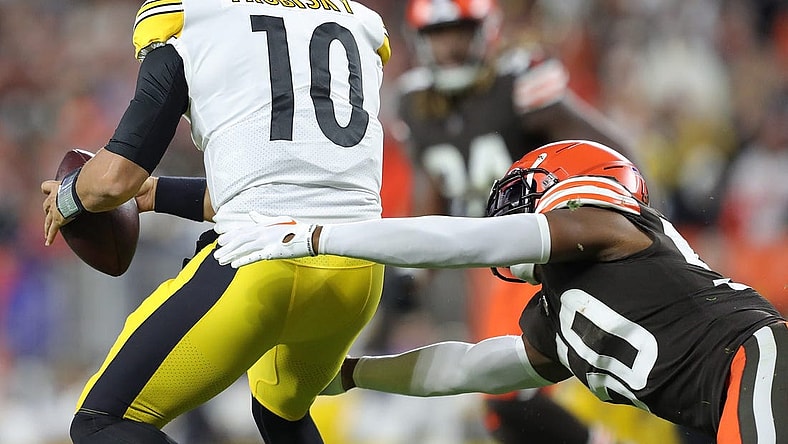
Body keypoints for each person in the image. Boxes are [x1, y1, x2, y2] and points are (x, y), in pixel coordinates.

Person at [214, 140, 788, 443]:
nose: (512, 209)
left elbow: (464, 242)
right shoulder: (559, 312)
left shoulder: (608, 227)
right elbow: (469, 369)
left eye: (524, 193)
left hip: (758, 360)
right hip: (736, 390)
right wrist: (354, 373)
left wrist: (318, 235)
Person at [40, 1, 391, 443]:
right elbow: (286, 186)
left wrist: (71, 197)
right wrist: (157, 193)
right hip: (356, 273)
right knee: (281, 414)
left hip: (262, 267)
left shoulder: (190, 18)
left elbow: (114, 178)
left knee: (101, 420)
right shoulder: (355, 20)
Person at [385, 0, 642, 442]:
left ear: (486, 30)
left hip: (537, 252)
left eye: (461, 31)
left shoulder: (518, 82)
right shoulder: (414, 101)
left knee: (506, 394)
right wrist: (416, 270)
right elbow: (433, 184)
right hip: (486, 266)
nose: (450, 46)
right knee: (499, 406)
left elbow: (616, 156)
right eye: (439, 34)